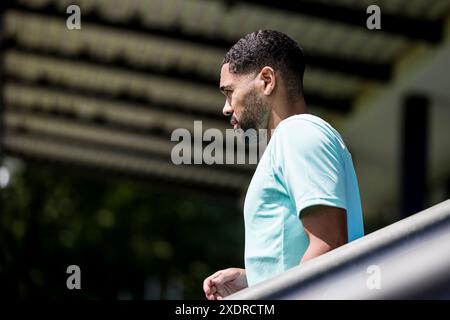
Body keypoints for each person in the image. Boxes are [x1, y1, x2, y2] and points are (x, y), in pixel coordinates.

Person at [203, 30, 364, 300]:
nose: (226, 108)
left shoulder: (297, 133)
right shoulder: (294, 139)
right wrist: (253, 280)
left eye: (229, 92)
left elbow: (330, 247)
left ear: (267, 80)